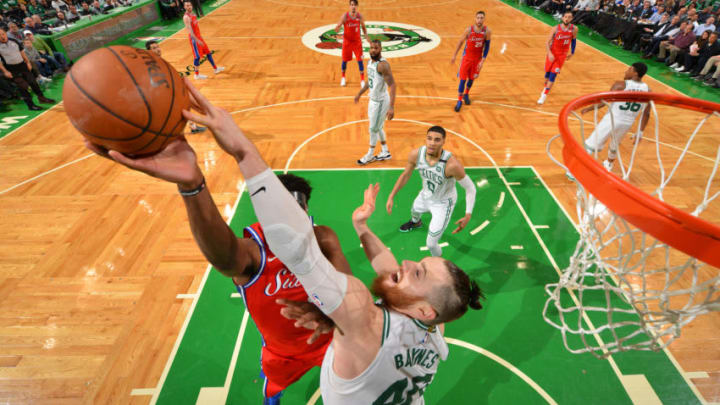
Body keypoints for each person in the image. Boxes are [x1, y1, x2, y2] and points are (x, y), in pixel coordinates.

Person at [174, 79, 483, 404]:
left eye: (417, 272)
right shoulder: (436, 325)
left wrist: (240, 151)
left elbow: (297, 250)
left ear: (424, 309)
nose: (406, 263)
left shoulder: (364, 321)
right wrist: (361, 227)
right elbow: (389, 269)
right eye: (418, 263)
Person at [385, 126, 477, 257]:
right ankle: (416, 222)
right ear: (425, 139)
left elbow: (470, 188)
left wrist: (468, 214)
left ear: (443, 142)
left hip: (443, 203)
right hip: (425, 195)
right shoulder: (416, 155)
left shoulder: (452, 165)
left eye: (437, 140)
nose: (432, 143)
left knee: (431, 244)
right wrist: (391, 195)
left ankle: (437, 264)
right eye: (429, 138)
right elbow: (405, 175)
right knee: (414, 210)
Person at [582, 62, 650, 171]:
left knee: (591, 144)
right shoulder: (648, 90)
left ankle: (574, 170)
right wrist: (640, 132)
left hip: (612, 119)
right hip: (627, 123)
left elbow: (603, 101)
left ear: (635, 73)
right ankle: (609, 164)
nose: (626, 71)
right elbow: (646, 113)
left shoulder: (620, 85)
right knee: (615, 144)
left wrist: (588, 108)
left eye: (629, 69)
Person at [145, 39, 207, 134]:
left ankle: (192, 126)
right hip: (161, 93)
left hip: (169, 90)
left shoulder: (160, 60)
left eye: (158, 47)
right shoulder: (153, 63)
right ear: (149, 51)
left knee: (183, 107)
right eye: (154, 48)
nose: (158, 49)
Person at [353, 39, 395, 165]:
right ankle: (385, 151)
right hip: (372, 100)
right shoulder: (370, 62)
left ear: (381, 49)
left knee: (373, 129)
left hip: (381, 101)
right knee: (378, 127)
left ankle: (370, 154)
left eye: (376, 48)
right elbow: (370, 80)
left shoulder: (383, 65)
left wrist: (391, 107)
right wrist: (360, 93)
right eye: (371, 47)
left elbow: (392, 85)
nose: (373, 50)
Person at [0, 27, 55, 110]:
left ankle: (42, 98)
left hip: (22, 65)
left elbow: (22, 52)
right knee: (23, 87)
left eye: (2, 34)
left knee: (33, 82)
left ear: (5, 33)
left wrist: (28, 62)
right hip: (12, 69)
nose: (2, 36)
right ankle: (31, 105)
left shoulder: (14, 41)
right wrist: (5, 71)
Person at [451, 11, 491, 112]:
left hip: (477, 59)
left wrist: (483, 60)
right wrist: (454, 55)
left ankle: (466, 94)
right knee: (462, 80)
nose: (479, 20)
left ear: (484, 19)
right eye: (478, 18)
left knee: (472, 79)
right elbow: (460, 42)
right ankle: (459, 100)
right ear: (475, 18)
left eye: (481, 18)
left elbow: (487, 47)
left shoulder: (487, 31)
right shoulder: (469, 30)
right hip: (467, 58)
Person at [538, 11, 578, 105]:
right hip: (552, 53)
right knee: (547, 75)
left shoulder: (574, 29)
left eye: (569, 17)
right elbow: (547, 43)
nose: (567, 19)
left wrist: (572, 52)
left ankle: (544, 95)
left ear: (572, 19)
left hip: (562, 55)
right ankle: (545, 88)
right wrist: (550, 53)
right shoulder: (555, 28)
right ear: (562, 18)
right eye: (565, 17)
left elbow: (574, 40)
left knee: (553, 75)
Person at [183, 0, 223, 80]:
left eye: (190, 5)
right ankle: (196, 75)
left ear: (192, 5)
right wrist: (197, 40)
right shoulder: (186, 17)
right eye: (187, 5)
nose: (189, 7)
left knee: (208, 52)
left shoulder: (193, 13)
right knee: (197, 57)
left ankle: (215, 69)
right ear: (184, 7)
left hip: (199, 37)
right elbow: (190, 32)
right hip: (194, 40)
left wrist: (200, 38)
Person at [333, 0, 367, 87]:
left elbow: (363, 27)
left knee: (360, 61)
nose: (353, 7)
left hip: (357, 42)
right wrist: (337, 27)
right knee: (344, 60)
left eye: (355, 5)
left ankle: (362, 80)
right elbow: (339, 25)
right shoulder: (345, 16)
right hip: (347, 42)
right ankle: (343, 78)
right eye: (352, 5)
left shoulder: (359, 16)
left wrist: (366, 36)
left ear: (357, 6)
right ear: (349, 6)